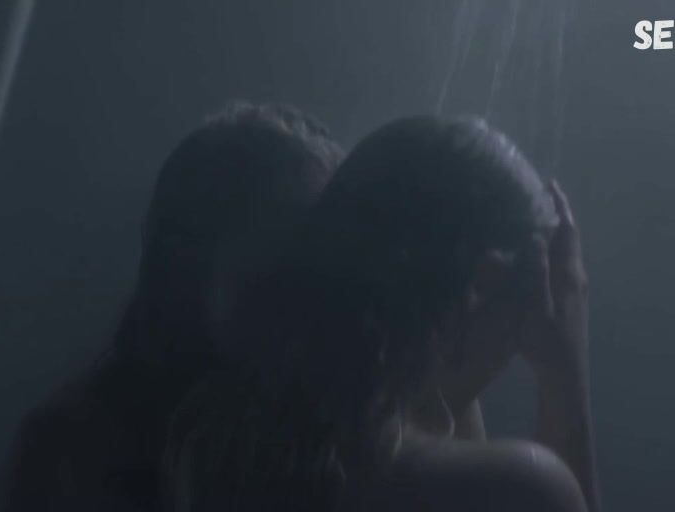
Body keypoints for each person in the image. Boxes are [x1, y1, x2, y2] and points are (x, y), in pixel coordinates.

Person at [162, 116, 600, 512]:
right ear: (483, 282)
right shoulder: (524, 487)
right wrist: (564, 375)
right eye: (530, 303)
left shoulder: (214, 444)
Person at [0, 102, 347, 511]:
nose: (310, 291)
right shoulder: (72, 447)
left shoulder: (320, 440)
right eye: (278, 259)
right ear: (188, 264)